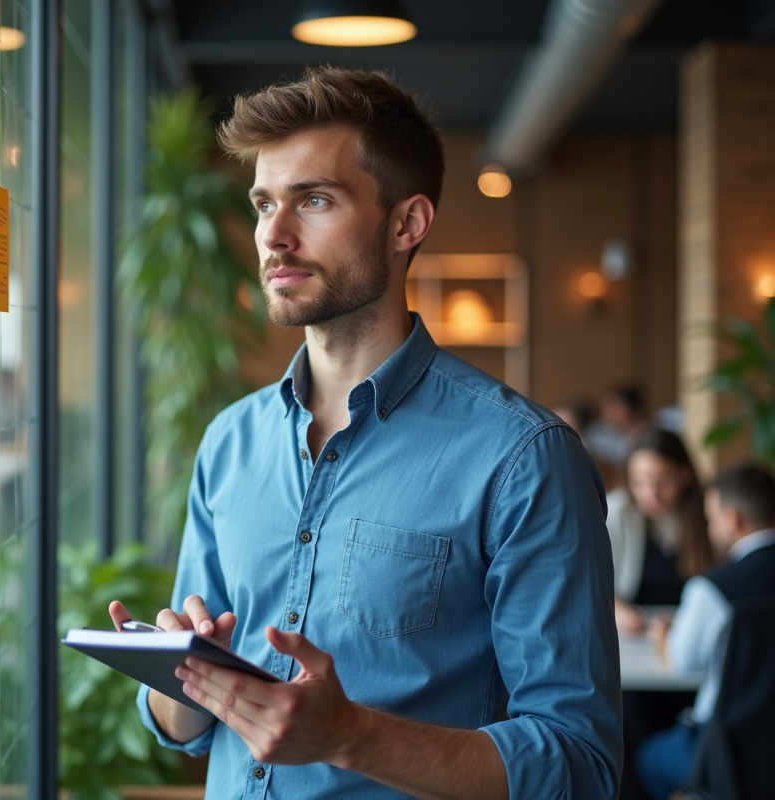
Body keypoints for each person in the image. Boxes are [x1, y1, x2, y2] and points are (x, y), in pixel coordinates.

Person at [108, 66, 621, 799]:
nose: (274, 236)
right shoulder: (230, 440)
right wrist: (184, 677)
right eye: (263, 204)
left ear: (407, 224)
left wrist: (349, 736)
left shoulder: (523, 459)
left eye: (314, 200)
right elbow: (180, 727)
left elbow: (578, 764)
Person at [636, 462, 775, 800]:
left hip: (727, 751)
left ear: (733, 520)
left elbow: (682, 663)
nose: (710, 529)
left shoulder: (713, 589)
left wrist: (664, 636)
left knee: (649, 758)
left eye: (711, 520)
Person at [606, 428, 715, 635]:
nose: (651, 494)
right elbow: (593, 583)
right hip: (635, 635)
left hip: (694, 633)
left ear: (685, 474)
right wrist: (617, 608)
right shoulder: (616, 513)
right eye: (639, 482)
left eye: (662, 482)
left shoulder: (709, 514)